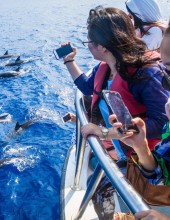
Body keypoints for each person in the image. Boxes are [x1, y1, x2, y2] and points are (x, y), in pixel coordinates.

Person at [63, 6, 169, 219]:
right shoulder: (105, 68)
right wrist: (69, 61)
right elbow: (86, 87)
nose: (89, 47)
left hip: (146, 158)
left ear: (102, 46)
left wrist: (106, 132)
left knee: (102, 194)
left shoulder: (146, 72)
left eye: (89, 43)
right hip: (123, 151)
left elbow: (161, 121)